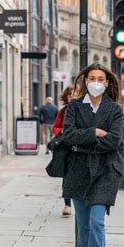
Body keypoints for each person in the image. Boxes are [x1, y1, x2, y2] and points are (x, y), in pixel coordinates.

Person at [62, 62, 124, 247]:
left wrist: (83, 143)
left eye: (100, 78)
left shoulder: (115, 110)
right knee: (84, 226)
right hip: (78, 173)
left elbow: (114, 141)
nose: (96, 82)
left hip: (106, 172)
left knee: (97, 222)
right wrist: (95, 133)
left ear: (106, 82)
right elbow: (68, 136)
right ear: (85, 81)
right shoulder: (75, 107)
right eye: (92, 78)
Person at [52, 85, 75, 217]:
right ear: (66, 97)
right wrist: (61, 131)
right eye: (70, 95)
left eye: (75, 95)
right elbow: (55, 127)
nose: (72, 97)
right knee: (66, 177)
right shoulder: (63, 111)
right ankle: (67, 205)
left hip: (80, 149)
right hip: (66, 148)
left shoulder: (85, 110)